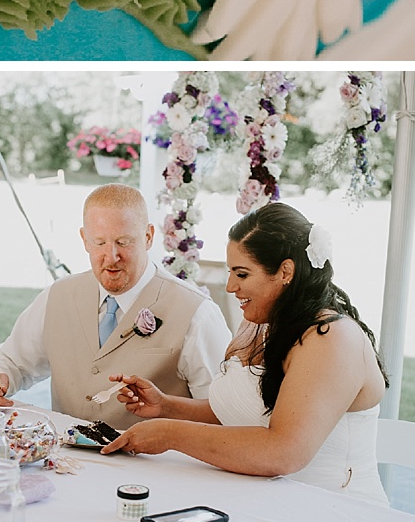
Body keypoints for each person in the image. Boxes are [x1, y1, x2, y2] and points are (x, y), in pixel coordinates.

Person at [104, 203, 390, 500]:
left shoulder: (330, 338)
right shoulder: (258, 324)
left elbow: (284, 453)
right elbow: (245, 413)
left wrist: (171, 434)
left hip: (333, 510)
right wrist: (166, 406)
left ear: (285, 271)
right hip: (259, 499)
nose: (230, 286)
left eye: (241, 274)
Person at [0, 183, 228, 429]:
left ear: (148, 237)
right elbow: (11, 361)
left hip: (154, 468)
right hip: (65, 464)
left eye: (123, 242)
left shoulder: (197, 313)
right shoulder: (57, 296)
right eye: (99, 242)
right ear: (84, 239)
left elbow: (223, 411)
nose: (111, 256)